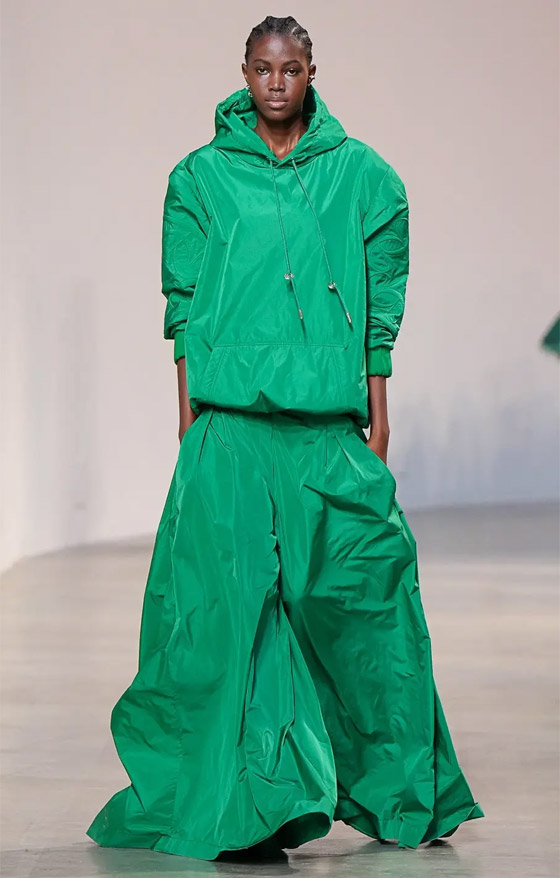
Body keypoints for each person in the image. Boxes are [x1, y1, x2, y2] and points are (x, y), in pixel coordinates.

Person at [86, 14, 484, 861]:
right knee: (225, 617)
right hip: (230, 425)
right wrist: (187, 414)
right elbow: (183, 308)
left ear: (311, 73)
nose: (276, 82)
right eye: (264, 68)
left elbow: (379, 302)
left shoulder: (363, 176)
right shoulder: (199, 178)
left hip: (325, 425)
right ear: (244, 73)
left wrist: (379, 408)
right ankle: (250, 804)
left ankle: (402, 789)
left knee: (369, 597)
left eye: (291, 68)